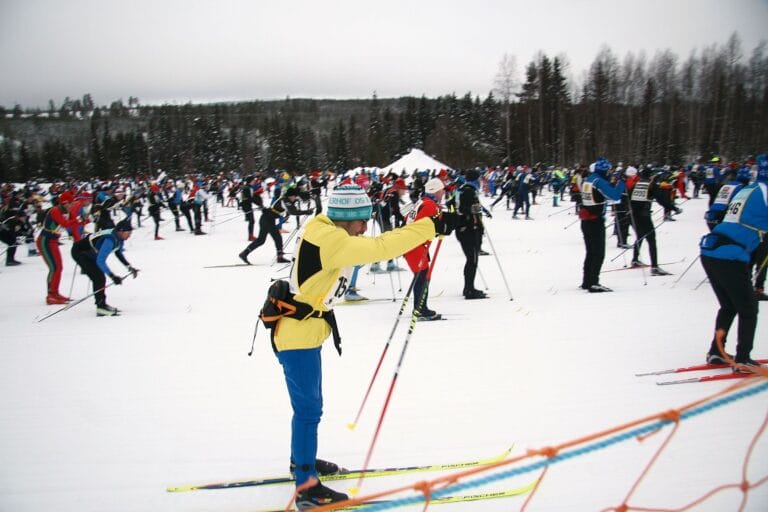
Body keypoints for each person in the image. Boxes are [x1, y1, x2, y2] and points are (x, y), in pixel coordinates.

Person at [271, 184, 443, 509]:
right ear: (346, 217)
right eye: (362, 221)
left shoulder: (323, 228)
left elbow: (374, 242)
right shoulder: (332, 240)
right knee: (308, 410)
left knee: (309, 408)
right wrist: (429, 226)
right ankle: (306, 487)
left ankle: (301, 461)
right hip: (297, 337)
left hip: (302, 332)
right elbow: (381, 247)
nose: (365, 228)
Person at [699, 153, 768, 372]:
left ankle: (716, 352)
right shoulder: (765, 191)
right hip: (729, 255)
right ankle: (743, 359)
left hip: (712, 250)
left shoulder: (749, 188)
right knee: (749, 308)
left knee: (729, 306)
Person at [403, 177, 452, 319]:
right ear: (435, 191)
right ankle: (420, 310)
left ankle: (420, 308)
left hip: (414, 244)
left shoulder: (423, 202)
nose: (443, 193)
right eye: (442, 190)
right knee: (422, 277)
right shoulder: (429, 205)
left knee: (422, 275)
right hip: (414, 245)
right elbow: (422, 226)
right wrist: (440, 226)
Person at [71, 218, 139, 317]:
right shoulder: (109, 240)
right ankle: (100, 307)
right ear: (121, 231)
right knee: (98, 277)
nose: (129, 235)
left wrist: (129, 267)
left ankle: (102, 305)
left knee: (99, 277)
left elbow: (118, 253)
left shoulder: (118, 237)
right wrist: (113, 276)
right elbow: (100, 261)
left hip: (89, 253)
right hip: (80, 252)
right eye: (128, 233)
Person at [578, 157, 626, 292]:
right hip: (595, 220)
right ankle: (594, 282)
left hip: (586, 219)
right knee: (598, 253)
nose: (610, 172)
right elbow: (615, 196)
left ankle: (587, 281)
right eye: (609, 170)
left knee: (591, 252)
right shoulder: (598, 181)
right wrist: (621, 183)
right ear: (604, 170)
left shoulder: (589, 179)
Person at [238, 186, 314, 265]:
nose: (295, 198)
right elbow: (293, 211)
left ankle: (244, 254)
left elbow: (293, 207)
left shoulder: (287, 200)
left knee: (262, 240)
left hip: (267, 219)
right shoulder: (285, 201)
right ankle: (279, 257)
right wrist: (306, 212)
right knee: (276, 237)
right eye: (294, 196)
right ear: (290, 196)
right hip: (267, 219)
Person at [37, 191, 83, 304]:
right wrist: (79, 219)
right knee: (54, 268)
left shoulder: (67, 211)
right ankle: (51, 295)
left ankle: (55, 293)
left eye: (73, 203)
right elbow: (65, 224)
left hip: (53, 241)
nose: (72, 205)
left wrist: (86, 221)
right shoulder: (55, 210)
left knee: (59, 267)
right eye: (70, 203)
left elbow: (74, 225)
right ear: (64, 202)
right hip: (45, 241)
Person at [627, 167, 672, 276]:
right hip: (644, 215)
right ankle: (655, 267)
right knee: (651, 239)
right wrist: (673, 208)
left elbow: (628, 197)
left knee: (640, 236)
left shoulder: (636, 184)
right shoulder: (651, 185)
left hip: (633, 215)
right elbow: (661, 199)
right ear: (651, 176)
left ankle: (635, 259)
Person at [454, 169, 488, 299]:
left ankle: (469, 287)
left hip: (465, 229)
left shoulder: (461, 189)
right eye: (478, 179)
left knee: (472, 259)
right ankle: (469, 289)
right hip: (469, 229)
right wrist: (471, 210)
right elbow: (460, 208)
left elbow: (453, 205)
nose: (480, 181)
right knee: (472, 259)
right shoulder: (469, 191)